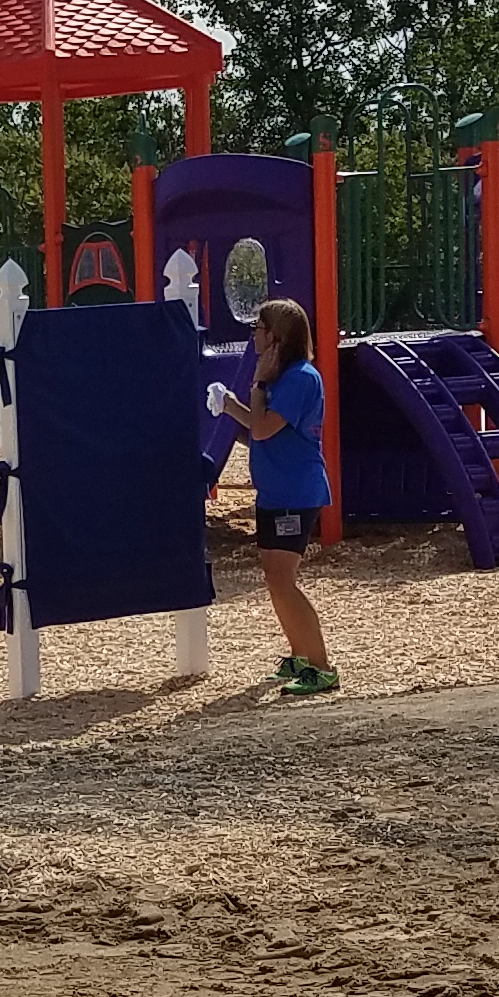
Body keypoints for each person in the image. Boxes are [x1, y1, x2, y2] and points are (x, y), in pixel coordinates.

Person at [218, 298, 337, 698]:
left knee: (283, 581)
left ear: (275, 337)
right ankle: (301, 656)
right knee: (275, 579)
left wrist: (255, 386)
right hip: (275, 492)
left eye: (258, 327)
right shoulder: (281, 377)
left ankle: (321, 667)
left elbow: (263, 429)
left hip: (295, 492)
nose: (253, 334)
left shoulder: (300, 378)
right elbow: (258, 428)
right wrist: (229, 406)